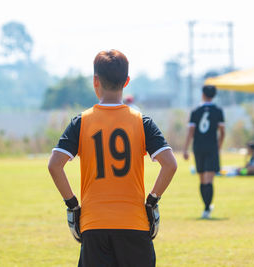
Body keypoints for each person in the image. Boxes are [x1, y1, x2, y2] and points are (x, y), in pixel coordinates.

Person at [48, 50, 177, 267]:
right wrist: (152, 201)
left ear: (95, 81)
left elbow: (54, 165)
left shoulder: (81, 122)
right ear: (126, 81)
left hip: (94, 224)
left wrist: (72, 206)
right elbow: (170, 164)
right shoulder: (142, 121)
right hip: (134, 223)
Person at [183, 85, 225, 219]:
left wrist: (185, 148)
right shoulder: (218, 111)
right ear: (214, 95)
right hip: (211, 147)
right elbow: (222, 132)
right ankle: (207, 207)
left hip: (198, 147)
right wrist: (218, 146)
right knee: (209, 179)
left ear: (202, 94)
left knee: (202, 178)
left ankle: (206, 207)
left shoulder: (195, 111)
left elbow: (191, 132)